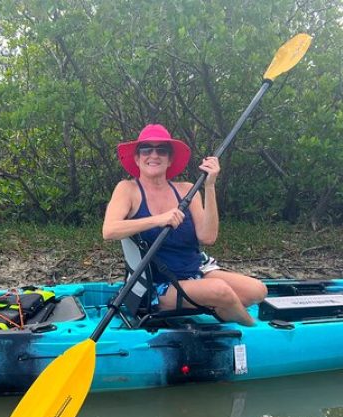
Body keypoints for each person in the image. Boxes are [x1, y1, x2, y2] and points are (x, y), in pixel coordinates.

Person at [102, 124, 267, 326]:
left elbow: (208, 237)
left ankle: (221, 311)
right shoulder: (127, 189)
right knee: (221, 292)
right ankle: (251, 329)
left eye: (161, 150)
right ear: (137, 158)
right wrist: (158, 219)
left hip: (196, 272)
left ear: (170, 159)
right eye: (146, 149)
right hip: (159, 285)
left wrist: (210, 185)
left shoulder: (188, 190)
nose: (154, 155)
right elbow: (109, 230)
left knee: (258, 290)